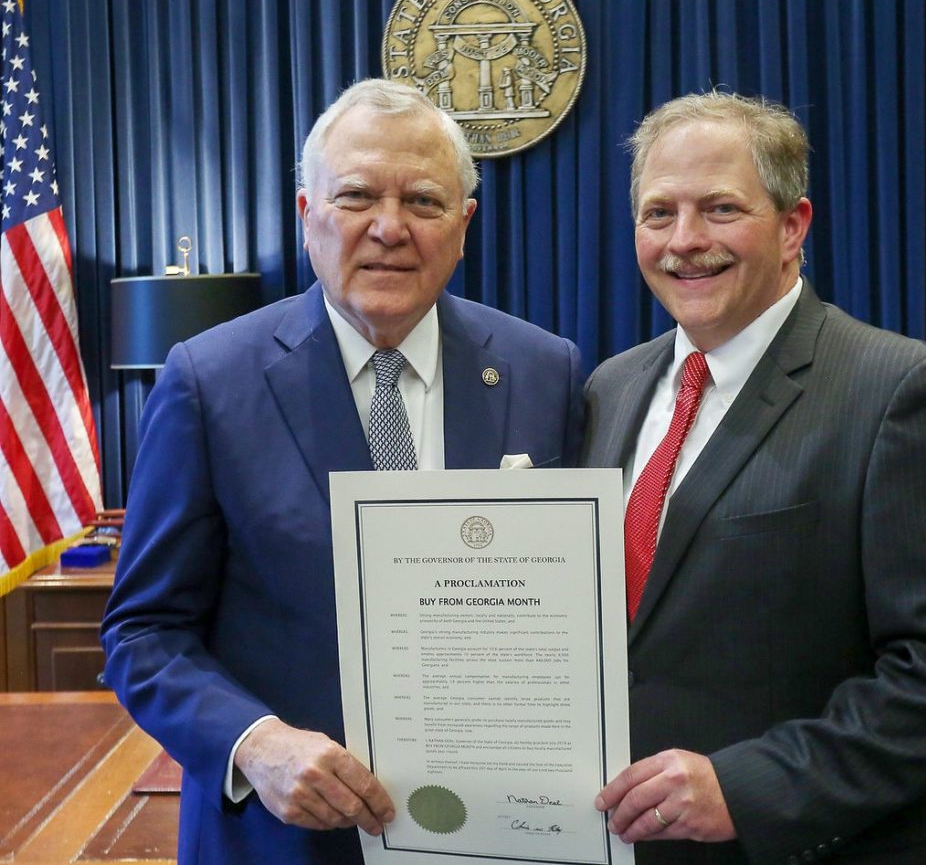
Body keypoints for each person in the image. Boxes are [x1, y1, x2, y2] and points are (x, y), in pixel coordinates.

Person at [101, 78, 584, 864]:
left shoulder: (543, 372)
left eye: (424, 202)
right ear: (307, 217)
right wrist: (256, 746)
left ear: (463, 226)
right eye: (357, 196)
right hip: (282, 838)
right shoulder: (209, 381)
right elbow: (143, 633)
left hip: (501, 832)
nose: (389, 229)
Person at [582, 91, 926, 865]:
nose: (685, 241)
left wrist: (753, 789)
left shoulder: (906, 392)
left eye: (720, 209)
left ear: (793, 227)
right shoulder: (609, 389)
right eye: (659, 214)